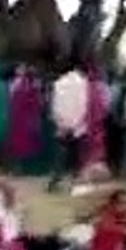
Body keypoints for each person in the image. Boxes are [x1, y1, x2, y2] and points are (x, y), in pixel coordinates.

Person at [49, 58, 88, 191]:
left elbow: (55, 106)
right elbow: (83, 105)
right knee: (77, 156)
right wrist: (77, 123)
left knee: (60, 154)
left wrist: (61, 122)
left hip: (63, 124)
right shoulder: (83, 83)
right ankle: (75, 183)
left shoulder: (58, 84)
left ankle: (55, 181)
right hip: (78, 124)